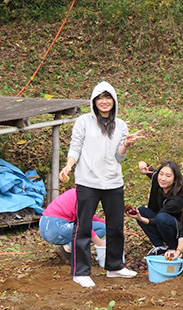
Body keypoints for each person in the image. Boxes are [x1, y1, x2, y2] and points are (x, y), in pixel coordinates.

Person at [59, 81, 145, 288]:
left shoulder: (121, 125)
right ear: (93, 101)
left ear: (114, 101)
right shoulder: (84, 121)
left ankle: (114, 266)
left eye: (108, 98)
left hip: (113, 182)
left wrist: (125, 145)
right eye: (100, 98)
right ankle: (80, 271)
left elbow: (119, 157)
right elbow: (75, 146)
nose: (104, 102)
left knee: (115, 226)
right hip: (88, 181)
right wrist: (69, 166)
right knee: (83, 226)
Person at [127, 161, 183, 256]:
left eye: (168, 176)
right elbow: (143, 163)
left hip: (177, 231)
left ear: (175, 179)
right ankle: (160, 246)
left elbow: (156, 220)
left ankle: (173, 248)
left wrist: (139, 218)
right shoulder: (157, 180)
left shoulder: (177, 200)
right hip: (161, 222)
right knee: (142, 210)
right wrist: (142, 166)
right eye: (161, 174)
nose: (163, 178)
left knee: (161, 218)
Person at [39, 188, 106, 264]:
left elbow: (88, 217)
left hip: (45, 226)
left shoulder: (78, 192)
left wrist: (108, 225)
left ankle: (69, 248)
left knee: (102, 226)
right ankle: (68, 248)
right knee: (101, 229)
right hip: (56, 228)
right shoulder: (84, 197)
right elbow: (84, 226)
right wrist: (101, 245)